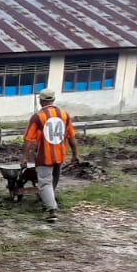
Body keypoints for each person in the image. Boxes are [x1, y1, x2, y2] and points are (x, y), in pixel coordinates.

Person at [20, 89, 80, 222]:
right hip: (60, 155)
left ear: (41, 101)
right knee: (53, 181)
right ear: (53, 100)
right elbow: (71, 137)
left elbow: (29, 139)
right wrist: (75, 154)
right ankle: (48, 202)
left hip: (44, 156)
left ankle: (52, 210)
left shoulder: (38, 116)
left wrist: (24, 157)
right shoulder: (64, 115)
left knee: (45, 183)